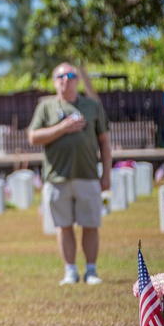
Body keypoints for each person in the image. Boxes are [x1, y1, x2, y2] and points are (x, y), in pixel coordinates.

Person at [27, 62, 111, 285]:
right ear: (55, 82)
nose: (66, 79)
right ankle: (70, 271)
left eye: (71, 75)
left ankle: (91, 271)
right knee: (64, 226)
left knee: (90, 224)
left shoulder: (92, 106)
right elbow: (33, 137)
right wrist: (62, 128)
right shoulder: (46, 107)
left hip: (88, 175)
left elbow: (104, 141)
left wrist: (106, 174)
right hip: (57, 178)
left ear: (77, 80)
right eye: (60, 76)